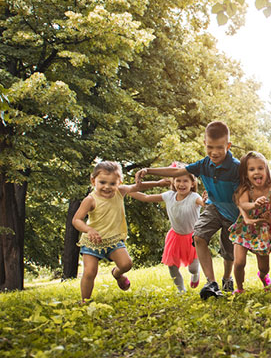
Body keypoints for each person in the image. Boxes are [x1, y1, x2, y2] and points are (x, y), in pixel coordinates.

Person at [136, 121, 240, 299]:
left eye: (220, 148)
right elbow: (176, 172)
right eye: (210, 147)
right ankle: (211, 282)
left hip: (232, 212)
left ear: (228, 146)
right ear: (204, 144)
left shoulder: (236, 167)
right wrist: (148, 170)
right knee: (198, 236)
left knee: (228, 251)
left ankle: (227, 278)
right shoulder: (203, 164)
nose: (214, 152)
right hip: (214, 207)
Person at [72, 161, 168, 302]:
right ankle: (85, 301)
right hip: (93, 242)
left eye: (112, 183)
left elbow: (137, 186)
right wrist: (89, 229)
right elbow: (76, 220)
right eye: (102, 182)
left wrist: (158, 183)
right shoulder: (90, 200)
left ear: (119, 182)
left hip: (113, 240)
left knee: (126, 264)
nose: (107, 187)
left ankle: (117, 274)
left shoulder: (120, 191)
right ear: (93, 181)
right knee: (90, 272)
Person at [129, 162, 204, 293]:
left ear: (192, 183)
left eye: (185, 181)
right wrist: (127, 190)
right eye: (178, 180)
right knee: (172, 266)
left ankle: (195, 274)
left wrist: (206, 200)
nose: (181, 184)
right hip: (175, 236)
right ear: (173, 182)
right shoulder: (169, 196)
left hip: (193, 237)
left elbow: (203, 203)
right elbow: (146, 197)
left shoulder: (194, 197)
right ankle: (181, 290)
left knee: (192, 268)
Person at [228, 151, 271, 293]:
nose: (257, 172)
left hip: (262, 229)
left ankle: (263, 276)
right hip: (244, 228)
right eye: (251, 169)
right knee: (239, 262)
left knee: (264, 267)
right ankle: (240, 288)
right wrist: (254, 204)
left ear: (266, 170)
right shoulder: (246, 189)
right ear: (246, 173)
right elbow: (243, 204)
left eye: (260, 168)